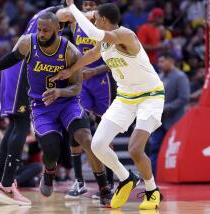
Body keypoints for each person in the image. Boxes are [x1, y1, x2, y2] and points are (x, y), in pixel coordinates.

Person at [0, 11, 112, 207]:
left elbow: (77, 87)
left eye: (46, 30)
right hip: (41, 106)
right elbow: (12, 58)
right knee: (51, 151)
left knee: (86, 140)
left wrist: (59, 93)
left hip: (67, 103)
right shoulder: (29, 42)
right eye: (39, 29)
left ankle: (104, 187)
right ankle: (48, 172)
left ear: (59, 28)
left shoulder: (70, 51)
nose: (41, 33)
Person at [52, 1, 165, 210]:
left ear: (103, 20)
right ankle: (126, 178)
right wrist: (71, 70)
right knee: (97, 144)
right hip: (125, 98)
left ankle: (152, 190)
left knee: (135, 148)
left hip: (150, 96)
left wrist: (73, 8)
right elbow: (92, 55)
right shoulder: (103, 41)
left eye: (96, 18)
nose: (94, 20)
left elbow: (94, 33)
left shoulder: (125, 35)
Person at [57, 0, 114, 199]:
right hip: (82, 79)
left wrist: (95, 70)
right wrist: (71, 6)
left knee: (105, 130)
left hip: (102, 80)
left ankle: (111, 181)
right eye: (86, 4)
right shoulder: (75, 22)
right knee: (75, 124)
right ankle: (79, 181)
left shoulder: (106, 26)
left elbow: (114, 60)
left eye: (92, 4)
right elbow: (61, 15)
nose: (89, 8)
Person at [149, 52, 190, 175]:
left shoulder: (180, 76)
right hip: (159, 121)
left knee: (175, 151)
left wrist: (165, 108)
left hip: (174, 121)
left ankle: (176, 175)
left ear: (171, 61)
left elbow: (184, 98)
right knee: (154, 149)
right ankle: (154, 180)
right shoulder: (159, 77)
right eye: (159, 62)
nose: (160, 64)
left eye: (162, 61)